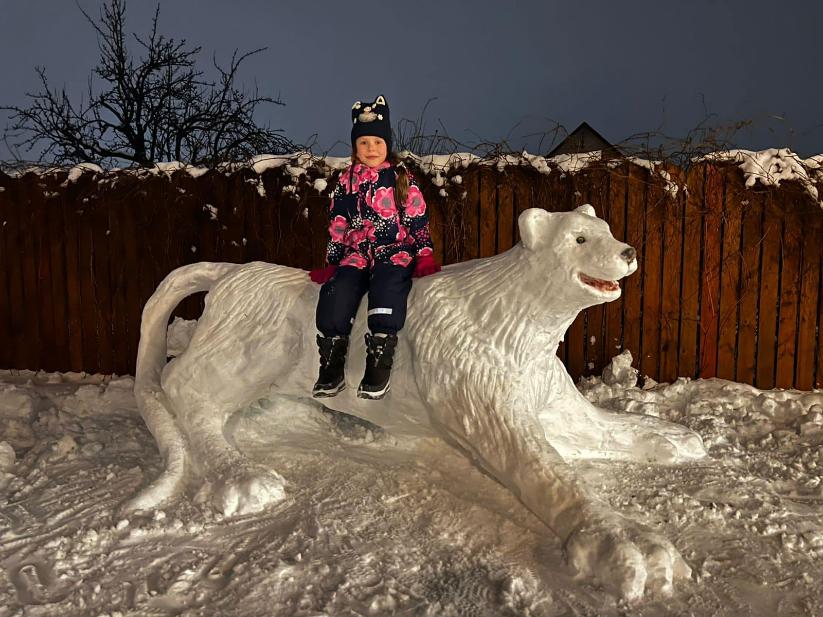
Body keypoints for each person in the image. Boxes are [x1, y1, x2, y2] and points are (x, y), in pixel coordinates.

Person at [309, 95, 440, 400]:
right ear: (355, 147)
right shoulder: (346, 182)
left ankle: (380, 357)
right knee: (336, 289)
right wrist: (333, 261)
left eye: (377, 142)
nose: (371, 148)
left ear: (387, 145)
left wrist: (424, 253)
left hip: (393, 252)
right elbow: (338, 224)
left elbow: (417, 219)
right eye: (364, 143)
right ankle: (332, 362)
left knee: (387, 285)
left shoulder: (400, 178)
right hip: (356, 255)